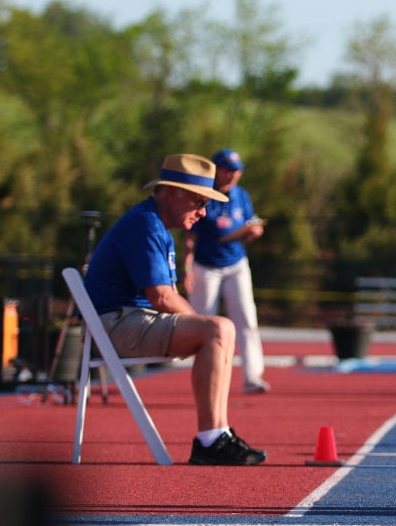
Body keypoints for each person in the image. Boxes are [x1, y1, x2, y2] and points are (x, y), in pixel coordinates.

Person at [84, 154, 266, 465]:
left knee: (222, 328)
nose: (203, 212)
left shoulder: (154, 223)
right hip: (115, 325)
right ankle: (211, 439)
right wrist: (207, 327)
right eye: (198, 201)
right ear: (174, 192)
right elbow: (162, 298)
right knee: (219, 329)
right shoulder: (146, 224)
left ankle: (217, 434)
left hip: (126, 320)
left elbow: (162, 299)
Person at [182, 149, 271, 395]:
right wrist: (186, 269)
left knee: (246, 318)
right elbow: (190, 236)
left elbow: (252, 220)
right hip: (206, 266)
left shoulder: (242, 195)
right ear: (216, 170)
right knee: (202, 322)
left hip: (236, 264)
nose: (233, 175)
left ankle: (253, 376)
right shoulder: (205, 196)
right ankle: (201, 378)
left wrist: (254, 231)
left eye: (237, 170)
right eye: (228, 170)